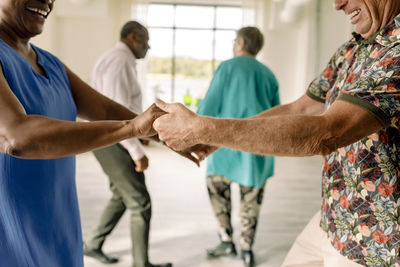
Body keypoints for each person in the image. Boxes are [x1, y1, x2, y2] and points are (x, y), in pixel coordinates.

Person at [153, 0, 400, 266]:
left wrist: (200, 128)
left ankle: (227, 241)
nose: (338, 4)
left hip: (376, 239)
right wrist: (215, 139)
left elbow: (329, 131)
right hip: (334, 215)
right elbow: (300, 107)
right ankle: (244, 246)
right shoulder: (351, 49)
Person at [0, 1, 200, 266]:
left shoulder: (50, 63)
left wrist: (168, 135)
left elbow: (104, 108)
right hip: (12, 224)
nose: (48, 1)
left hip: (57, 218)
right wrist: (132, 129)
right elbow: (17, 136)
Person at [83, 21, 171, 267]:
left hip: (108, 137)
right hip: (113, 140)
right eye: (146, 41)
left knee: (122, 195)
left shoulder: (117, 59)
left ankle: (93, 245)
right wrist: (137, 151)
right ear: (133, 37)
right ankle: (141, 264)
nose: (148, 47)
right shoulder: (119, 62)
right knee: (140, 201)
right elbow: (117, 115)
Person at [197, 26, 280, 267]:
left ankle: (225, 240)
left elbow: (208, 108)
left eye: (235, 41)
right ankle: (246, 249)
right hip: (257, 151)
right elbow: (278, 114)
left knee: (217, 192)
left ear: (241, 42)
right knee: (251, 201)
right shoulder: (268, 74)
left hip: (223, 149)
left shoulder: (227, 67)